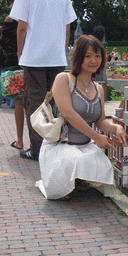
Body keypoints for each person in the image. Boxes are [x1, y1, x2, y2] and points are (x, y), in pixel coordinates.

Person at [35, 35, 128, 200]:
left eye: (98, 56)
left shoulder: (98, 88)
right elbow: (69, 114)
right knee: (74, 159)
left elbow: (99, 121)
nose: (94, 60)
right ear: (78, 58)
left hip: (85, 144)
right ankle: (64, 182)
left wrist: (116, 127)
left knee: (104, 165)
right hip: (61, 145)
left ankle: (77, 178)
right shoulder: (63, 79)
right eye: (88, 56)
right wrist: (97, 137)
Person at [10, 0, 77, 160]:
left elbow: (22, 27)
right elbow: (67, 29)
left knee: (36, 103)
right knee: (56, 103)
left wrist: (20, 52)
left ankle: (37, 149)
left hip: (34, 58)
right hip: (56, 58)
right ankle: (55, 145)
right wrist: (60, 51)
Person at [0, 0, 28, 149]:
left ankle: (20, 141)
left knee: (18, 102)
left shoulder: (10, 19)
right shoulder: (30, 16)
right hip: (30, 60)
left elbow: (3, 42)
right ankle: (35, 141)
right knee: (31, 102)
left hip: (13, 60)